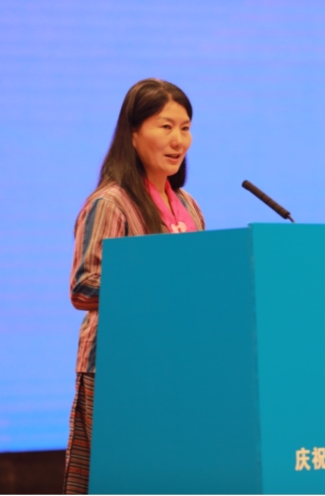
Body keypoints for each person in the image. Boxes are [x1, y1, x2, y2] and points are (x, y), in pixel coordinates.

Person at [63, 78, 205, 494]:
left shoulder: (189, 206)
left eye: (185, 128)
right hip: (118, 369)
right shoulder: (111, 202)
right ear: (133, 133)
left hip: (176, 367)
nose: (178, 140)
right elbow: (83, 286)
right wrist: (157, 289)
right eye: (166, 126)